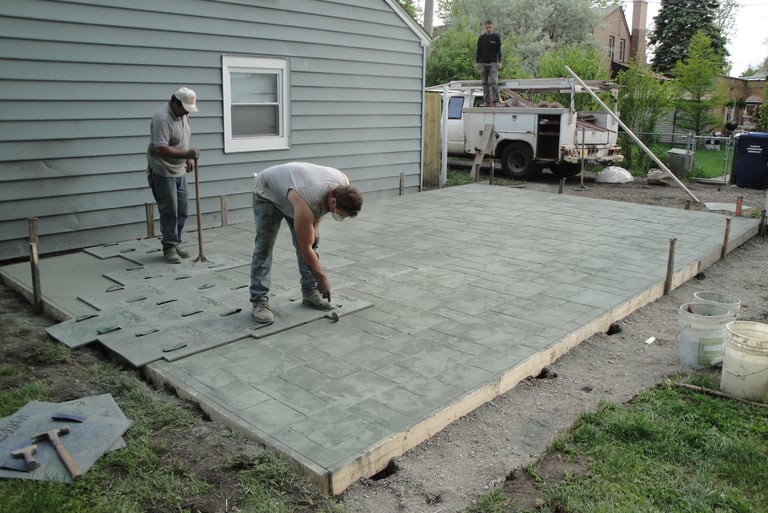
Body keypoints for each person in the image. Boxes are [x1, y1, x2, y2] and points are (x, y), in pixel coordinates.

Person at [249, 162, 363, 323]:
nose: (341, 217)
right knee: (264, 247)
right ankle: (259, 300)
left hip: (297, 191)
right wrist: (322, 277)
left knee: (313, 239)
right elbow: (305, 248)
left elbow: (320, 208)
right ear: (334, 202)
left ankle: (309, 292)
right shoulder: (307, 202)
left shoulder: (343, 183)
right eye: (341, 215)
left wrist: (314, 228)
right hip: (268, 191)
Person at [146, 87, 201, 264]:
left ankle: (175, 242)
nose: (186, 112)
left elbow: (181, 139)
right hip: (163, 172)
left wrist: (187, 158)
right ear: (174, 102)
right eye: (184, 108)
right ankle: (168, 246)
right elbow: (160, 148)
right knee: (170, 211)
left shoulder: (182, 115)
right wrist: (186, 154)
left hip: (179, 171)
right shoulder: (162, 119)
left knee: (182, 210)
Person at [475, 20, 502, 107]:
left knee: (494, 82)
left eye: (490, 27)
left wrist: (500, 61)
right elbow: (478, 51)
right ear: (485, 27)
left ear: (493, 27)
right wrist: (477, 62)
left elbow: (499, 51)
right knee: (484, 83)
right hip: (483, 63)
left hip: (493, 63)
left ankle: (496, 101)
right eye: (487, 27)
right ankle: (486, 101)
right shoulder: (481, 38)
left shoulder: (496, 38)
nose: (489, 29)